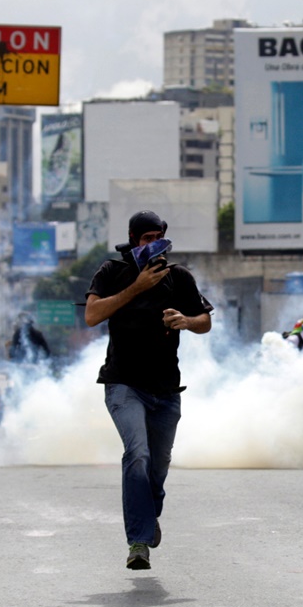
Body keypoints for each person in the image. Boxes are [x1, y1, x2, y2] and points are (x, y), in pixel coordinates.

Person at [85, 210, 214, 571]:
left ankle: (148, 513)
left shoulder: (179, 278)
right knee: (137, 454)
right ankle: (138, 542)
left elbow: (204, 321)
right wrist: (136, 288)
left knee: (158, 466)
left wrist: (186, 321)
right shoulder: (112, 272)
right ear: (132, 239)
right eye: (146, 238)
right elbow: (93, 315)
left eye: (158, 237)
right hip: (123, 383)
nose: (153, 244)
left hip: (166, 389)